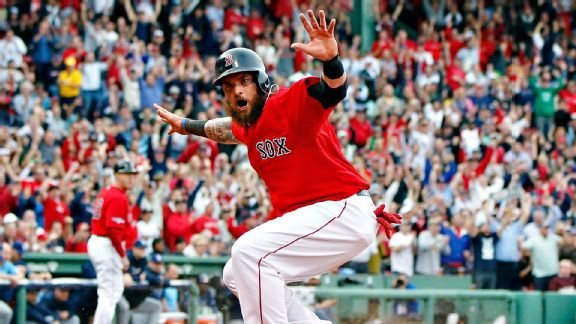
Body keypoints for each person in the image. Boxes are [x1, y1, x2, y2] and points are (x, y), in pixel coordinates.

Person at [155, 10, 401, 323]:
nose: (237, 91)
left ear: (259, 81)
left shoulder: (289, 101)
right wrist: (187, 125)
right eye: (229, 86)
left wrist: (331, 60)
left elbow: (333, 90)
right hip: (317, 219)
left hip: (342, 210)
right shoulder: (248, 124)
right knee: (236, 273)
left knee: (248, 253)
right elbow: (227, 129)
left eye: (244, 81)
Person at [87, 160, 139, 324]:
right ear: (117, 175)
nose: (131, 179)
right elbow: (113, 230)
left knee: (114, 290)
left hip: (104, 243)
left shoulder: (109, 191)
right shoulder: (116, 196)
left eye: (132, 175)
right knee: (108, 292)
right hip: (107, 244)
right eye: (127, 175)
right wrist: (122, 254)